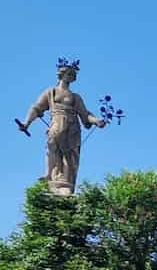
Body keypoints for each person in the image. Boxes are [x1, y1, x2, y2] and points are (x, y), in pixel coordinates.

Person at [19, 60, 105, 196]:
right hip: (57, 122)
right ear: (61, 74)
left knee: (69, 155)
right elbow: (37, 108)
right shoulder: (51, 92)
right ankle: (50, 176)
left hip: (72, 128)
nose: (70, 77)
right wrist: (26, 123)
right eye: (68, 74)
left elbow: (85, 114)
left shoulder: (75, 97)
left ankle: (65, 181)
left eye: (73, 75)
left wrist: (96, 121)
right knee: (52, 146)